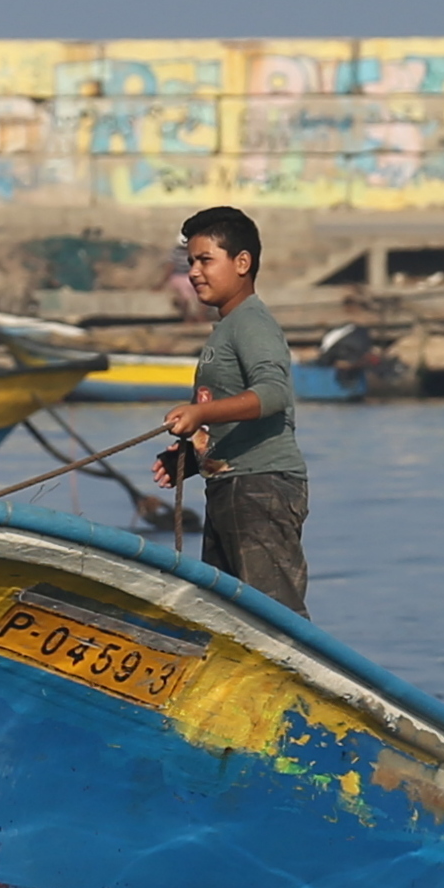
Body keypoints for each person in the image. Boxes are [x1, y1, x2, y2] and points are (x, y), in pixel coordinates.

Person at [156, 205, 310, 614]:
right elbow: (228, 411)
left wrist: (200, 415)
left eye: (206, 260)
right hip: (228, 485)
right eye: (191, 262)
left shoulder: (251, 322)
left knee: (273, 616)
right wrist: (192, 457)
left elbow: (273, 394)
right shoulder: (226, 328)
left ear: (242, 263)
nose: (194, 272)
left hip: (260, 487)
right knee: (226, 615)